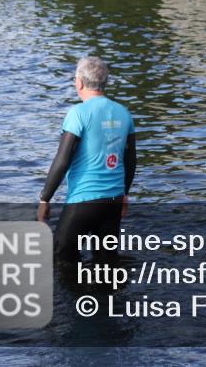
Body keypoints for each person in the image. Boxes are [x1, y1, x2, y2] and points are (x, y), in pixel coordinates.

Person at [37, 56, 136, 262]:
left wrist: (45, 198)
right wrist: (124, 194)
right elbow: (131, 160)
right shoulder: (124, 113)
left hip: (83, 200)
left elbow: (62, 160)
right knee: (107, 263)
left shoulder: (78, 113)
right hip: (113, 201)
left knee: (60, 261)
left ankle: (75, 294)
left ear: (80, 82)